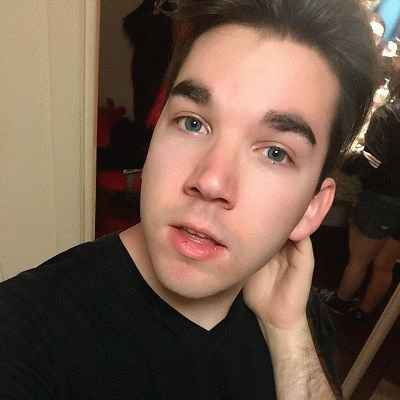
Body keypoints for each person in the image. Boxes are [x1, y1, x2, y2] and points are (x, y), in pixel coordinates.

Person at [0, 0, 378, 398]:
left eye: (274, 153)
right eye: (193, 123)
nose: (211, 181)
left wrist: (287, 332)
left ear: (311, 208)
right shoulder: (24, 332)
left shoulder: (297, 311)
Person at [322, 75, 400, 321]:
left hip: (381, 197)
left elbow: (372, 161)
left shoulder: (388, 114)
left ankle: (340, 302)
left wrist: (347, 163)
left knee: (358, 260)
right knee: (385, 266)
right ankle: (363, 312)